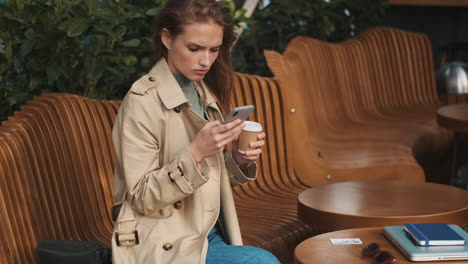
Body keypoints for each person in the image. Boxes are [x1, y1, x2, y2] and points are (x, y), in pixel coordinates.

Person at [111, 0, 280, 263]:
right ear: (167, 38)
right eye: (194, 48)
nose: (206, 60)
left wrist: (237, 161)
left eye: (214, 50)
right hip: (164, 238)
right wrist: (196, 151)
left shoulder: (201, 91)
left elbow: (203, 180)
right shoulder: (142, 101)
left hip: (206, 228)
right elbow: (141, 197)